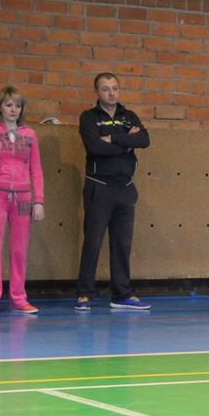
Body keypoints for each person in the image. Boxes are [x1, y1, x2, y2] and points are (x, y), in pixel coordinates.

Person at [74, 72, 150, 311]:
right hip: (100, 188)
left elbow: (144, 140)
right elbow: (95, 147)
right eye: (105, 88)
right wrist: (126, 144)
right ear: (97, 92)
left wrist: (113, 139)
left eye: (115, 88)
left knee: (122, 243)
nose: (111, 93)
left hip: (125, 189)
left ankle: (121, 294)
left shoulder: (129, 116)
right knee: (93, 242)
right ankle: (85, 294)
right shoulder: (88, 118)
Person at [0, 86, 45, 315]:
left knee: (19, 249)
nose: (14, 109)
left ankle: (18, 298)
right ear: (0, 107)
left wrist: (39, 201)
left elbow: (36, 170)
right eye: (9, 105)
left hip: (23, 198)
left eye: (18, 105)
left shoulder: (29, 134)